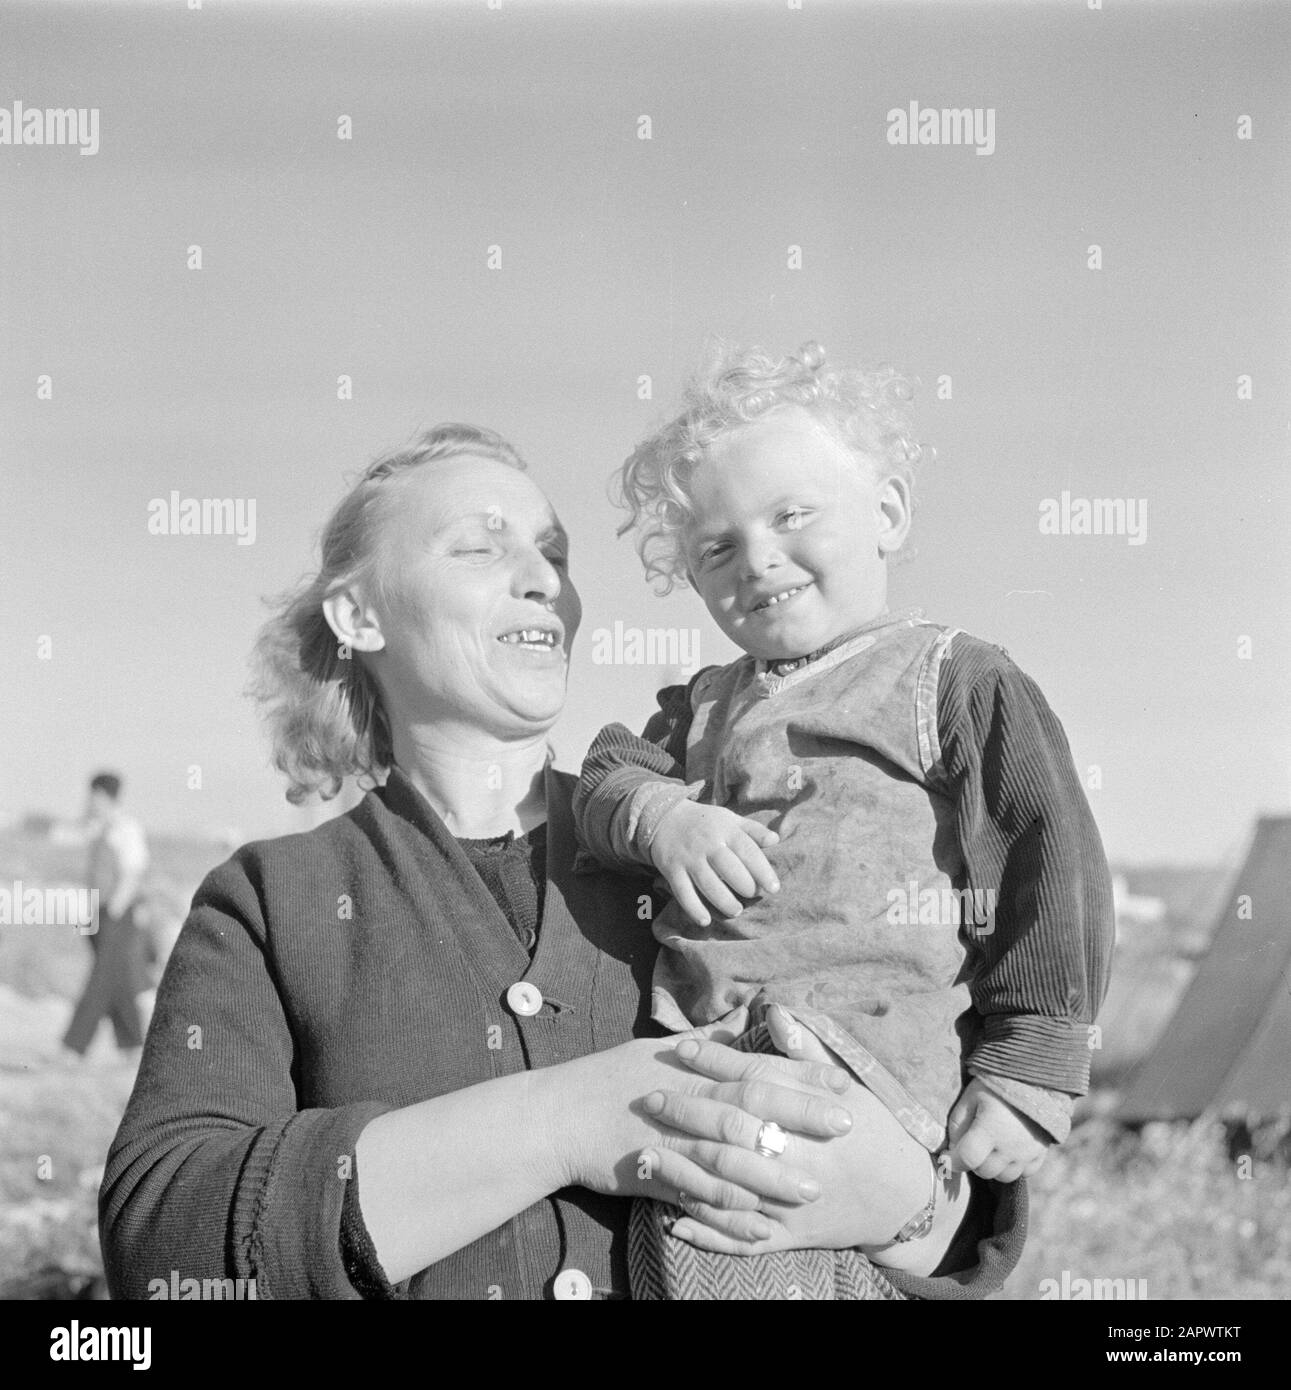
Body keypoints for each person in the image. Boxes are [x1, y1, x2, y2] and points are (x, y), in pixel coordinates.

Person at [100, 423, 1027, 1300]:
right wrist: (567, 1119)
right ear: (358, 614)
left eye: (555, 554)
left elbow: (953, 1182)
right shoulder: (271, 900)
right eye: (479, 547)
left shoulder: (717, 836)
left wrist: (903, 1203)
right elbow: (168, 1245)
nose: (542, 579)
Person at [573, 343, 1114, 1294]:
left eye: (792, 516)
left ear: (887, 513)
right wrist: (659, 818)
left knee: (781, 1248)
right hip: (707, 1056)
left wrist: (1029, 1069)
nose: (758, 558)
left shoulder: (951, 680)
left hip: (880, 1068)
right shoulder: (700, 706)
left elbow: (1046, 869)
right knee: (698, 1253)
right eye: (717, 548)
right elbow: (605, 778)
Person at [59, 771, 151, 1059]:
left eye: (93, 796)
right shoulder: (100, 828)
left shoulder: (126, 829)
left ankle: (73, 1047)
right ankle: (133, 1045)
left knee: (100, 979)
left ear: (103, 795)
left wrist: (114, 910)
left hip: (116, 913)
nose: (90, 801)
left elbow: (133, 872)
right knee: (116, 979)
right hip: (97, 912)